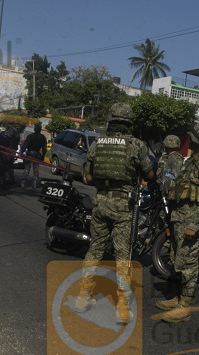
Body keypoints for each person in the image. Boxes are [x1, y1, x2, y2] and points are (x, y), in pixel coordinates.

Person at [73, 102, 155, 323]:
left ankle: (82, 299)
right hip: (123, 207)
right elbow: (149, 173)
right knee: (122, 257)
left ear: (110, 121)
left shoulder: (97, 143)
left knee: (95, 250)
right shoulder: (137, 145)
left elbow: (88, 177)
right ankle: (121, 309)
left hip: (100, 203)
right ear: (128, 123)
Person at [155, 123, 199, 323]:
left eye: (192, 137)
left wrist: (194, 225)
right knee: (177, 260)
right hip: (178, 219)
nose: (189, 140)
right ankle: (177, 299)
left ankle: (185, 307)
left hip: (189, 222)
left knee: (189, 265)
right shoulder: (191, 161)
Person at [20, 122, 48, 189]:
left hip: (30, 153)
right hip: (37, 154)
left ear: (35, 129)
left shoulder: (30, 136)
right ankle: (34, 183)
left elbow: (25, 145)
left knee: (27, 168)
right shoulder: (42, 137)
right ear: (40, 129)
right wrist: (43, 156)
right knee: (36, 169)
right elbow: (44, 149)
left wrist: (21, 152)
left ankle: (23, 183)